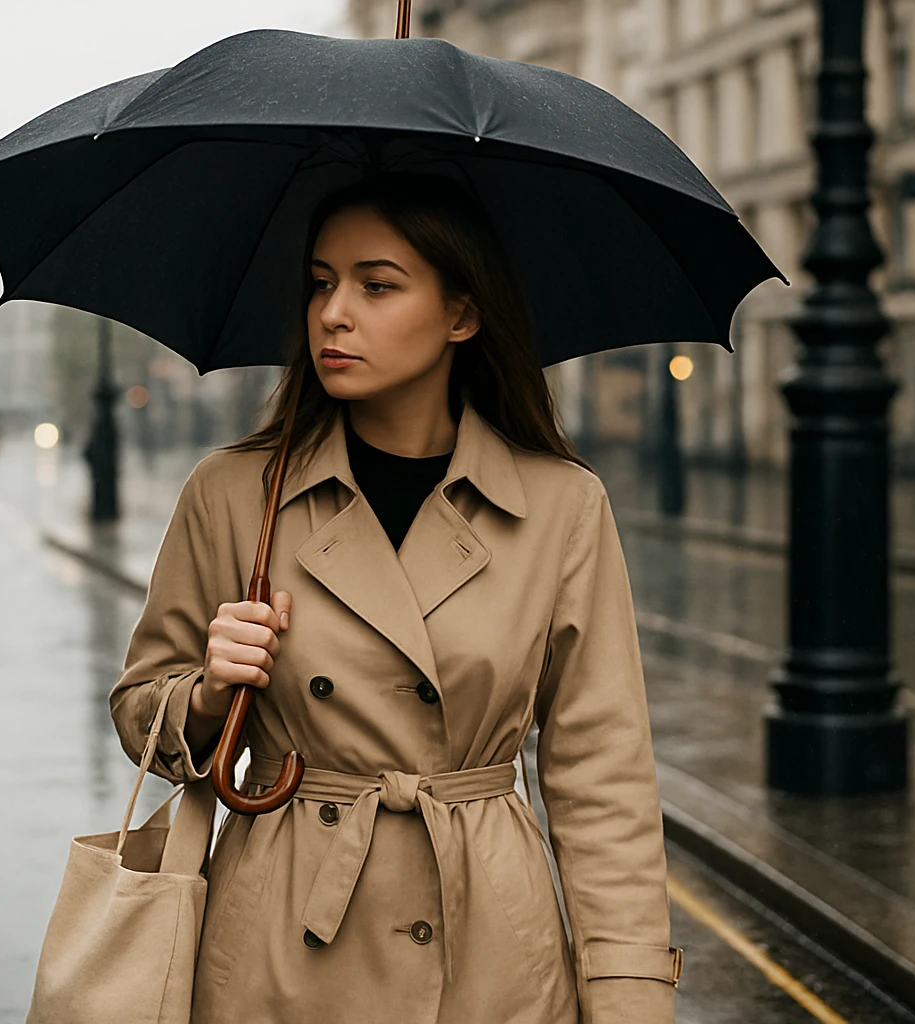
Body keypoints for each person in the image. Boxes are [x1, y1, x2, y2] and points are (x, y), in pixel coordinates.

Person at [110, 173, 679, 1023]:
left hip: (491, 947)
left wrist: (629, 995)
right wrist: (208, 692)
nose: (334, 313)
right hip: (278, 946)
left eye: (376, 286)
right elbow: (140, 713)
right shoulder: (235, 493)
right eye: (321, 282)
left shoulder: (562, 506)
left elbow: (604, 779)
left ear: (462, 314)